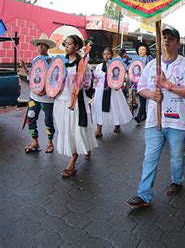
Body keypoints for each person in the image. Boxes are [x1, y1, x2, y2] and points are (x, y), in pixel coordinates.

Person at [126, 28, 185, 208]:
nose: (166, 41)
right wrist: (151, 95)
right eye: (164, 38)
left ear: (178, 43)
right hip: (154, 120)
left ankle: (177, 180)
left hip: (177, 120)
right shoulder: (152, 65)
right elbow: (141, 87)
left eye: (171, 38)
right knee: (149, 157)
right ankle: (143, 195)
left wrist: (167, 85)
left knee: (176, 157)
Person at [54, 35, 97, 178]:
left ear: (77, 46)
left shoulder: (83, 64)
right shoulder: (59, 62)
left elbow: (88, 85)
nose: (66, 46)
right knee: (64, 129)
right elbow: (51, 80)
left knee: (76, 129)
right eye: (65, 44)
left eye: (70, 44)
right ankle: (86, 147)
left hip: (76, 102)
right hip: (61, 101)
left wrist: (82, 78)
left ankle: (72, 162)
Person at [24, 33, 56, 154]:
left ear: (48, 48)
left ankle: (50, 143)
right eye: (39, 45)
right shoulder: (35, 60)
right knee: (31, 118)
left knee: (48, 121)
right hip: (34, 96)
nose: (41, 47)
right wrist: (25, 69)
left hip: (47, 98)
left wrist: (46, 90)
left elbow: (54, 79)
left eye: (44, 45)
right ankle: (34, 142)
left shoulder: (52, 61)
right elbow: (32, 77)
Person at [93, 48, 133, 137]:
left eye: (108, 54)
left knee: (115, 108)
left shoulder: (116, 66)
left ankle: (117, 125)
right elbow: (96, 79)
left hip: (114, 90)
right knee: (99, 109)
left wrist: (118, 85)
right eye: (104, 54)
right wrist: (95, 89)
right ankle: (99, 129)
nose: (106, 56)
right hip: (101, 90)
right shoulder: (99, 66)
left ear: (112, 55)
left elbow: (121, 77)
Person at [135, 43, 154, 124]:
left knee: (143, 100)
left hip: (148, 82)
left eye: (142, 49)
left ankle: (139, 116)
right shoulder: (136, 60)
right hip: (138, 82)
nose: (141, 51)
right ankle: (144, 114)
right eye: (139, 50)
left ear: (146, 51)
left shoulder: (151, 60)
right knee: (142, 99)